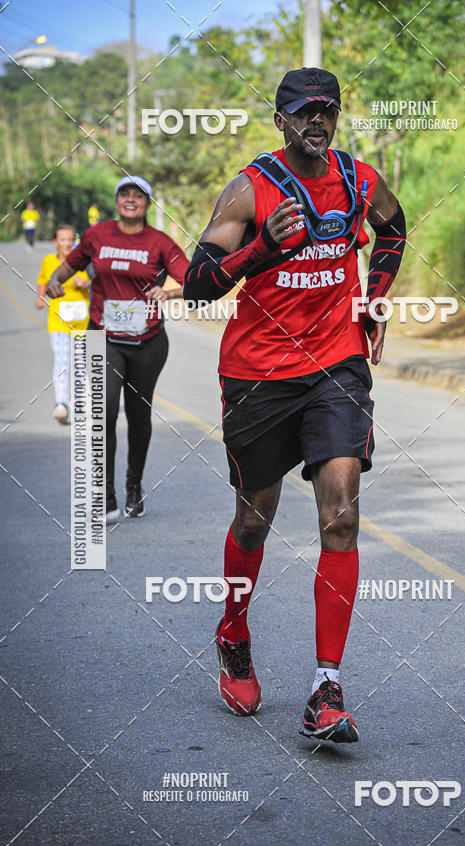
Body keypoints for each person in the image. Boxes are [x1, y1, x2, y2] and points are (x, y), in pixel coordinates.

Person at [184, 68, 406, 742]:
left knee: (340, 512)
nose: (318, 121)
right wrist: (262, 249)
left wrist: (375, 294)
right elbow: (196, 286)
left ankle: (325, 686)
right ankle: (233, 630)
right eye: (304, 112)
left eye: (328, 110)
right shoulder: (250, 190)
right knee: (255, 516)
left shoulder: (358, 179)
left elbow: (393, 229)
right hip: (256, 375)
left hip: (336, 364)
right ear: (279, 120)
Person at [46, 176, 189, 521]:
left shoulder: (159, 242)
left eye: (137, 195)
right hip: (103, 337)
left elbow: (191, 278)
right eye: (124, 193)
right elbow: (73, 262)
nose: (130, 199)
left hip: (147, 343)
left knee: (139, 417)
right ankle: (105, 496)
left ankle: (134, 487)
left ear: (147, 204)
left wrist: (167, 293)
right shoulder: (98, 235)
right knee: (103, 413)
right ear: (116, 201)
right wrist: (55, 281)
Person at [36, 224, 90, 423]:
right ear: (55, 242)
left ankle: (77, 401)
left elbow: (98, 280)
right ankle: (61, 403)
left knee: (80, 363)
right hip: (58, 320)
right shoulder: (48, 261)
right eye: (62, 239)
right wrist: (41, 298)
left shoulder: (83, 262)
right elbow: (43, 280)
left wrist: (85, 284)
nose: (66, 243)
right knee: (61, 359)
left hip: (82, 322)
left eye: (70, 239)